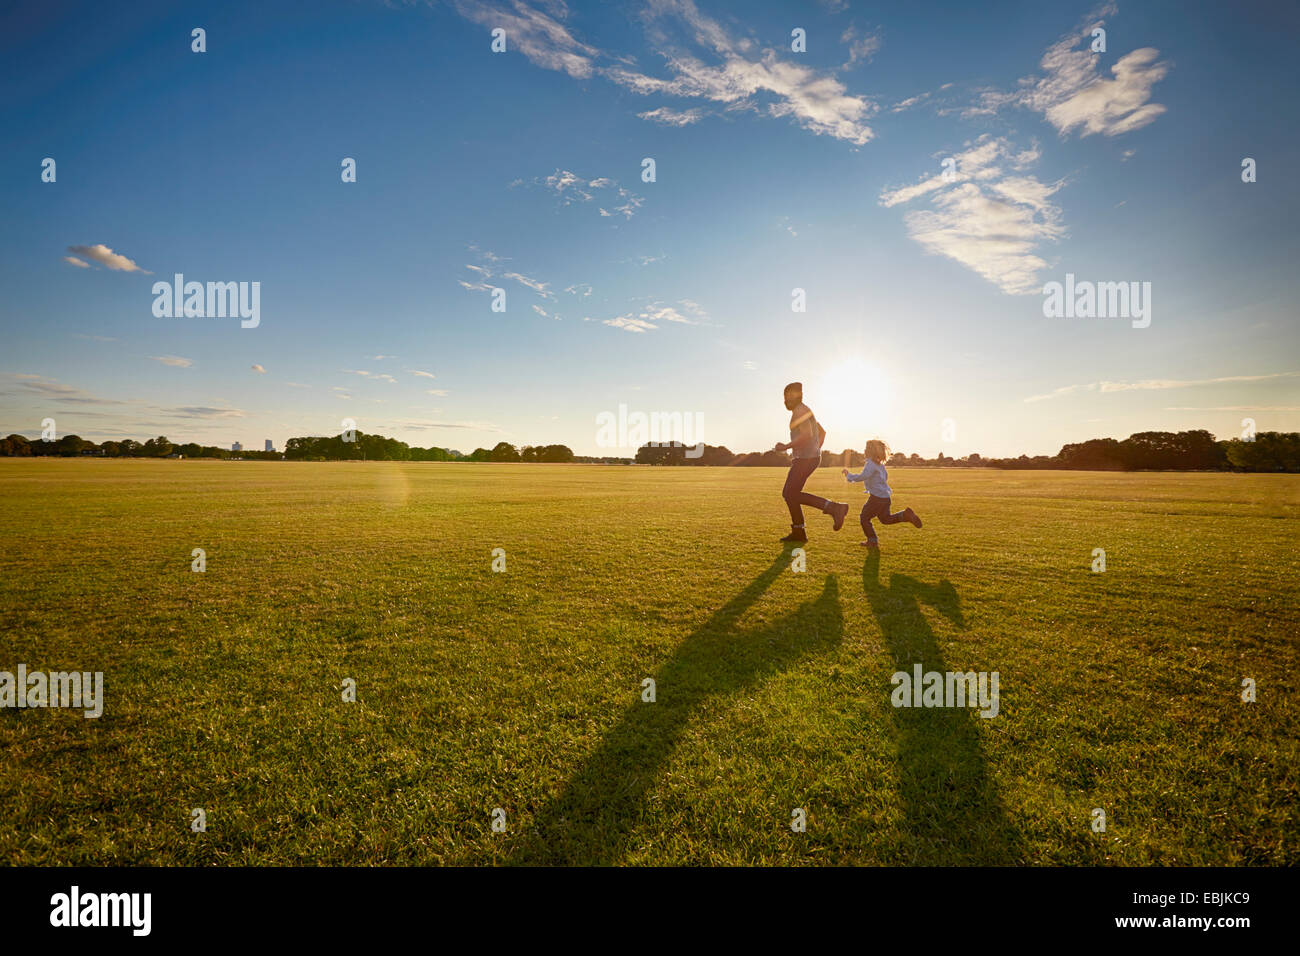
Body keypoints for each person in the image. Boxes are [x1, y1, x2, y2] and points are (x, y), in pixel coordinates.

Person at [774, 382, 848, 542]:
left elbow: (807, 434)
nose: (785, 401)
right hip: (808, 457)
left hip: (805, 459)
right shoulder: (804, 410)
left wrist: (785, 446)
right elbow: (822, 431)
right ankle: (799, 531)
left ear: (796, 396)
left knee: (789, 493)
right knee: (790, 494)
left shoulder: (800, 411)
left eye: (787, 397)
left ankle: (834, 508)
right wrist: (815, 449)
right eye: (784, 397)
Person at [842, 439, 922, 550]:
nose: (864, 450)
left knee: (864, 518)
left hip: (876, 498)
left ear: (871, 451)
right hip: (885, 497)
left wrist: (848, 475)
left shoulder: (870, 463)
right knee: (885, 519)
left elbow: (862, 476)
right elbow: (884, 478)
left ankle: (872, 541)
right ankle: (905, 515)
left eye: (866, 448)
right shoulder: (880, 465)